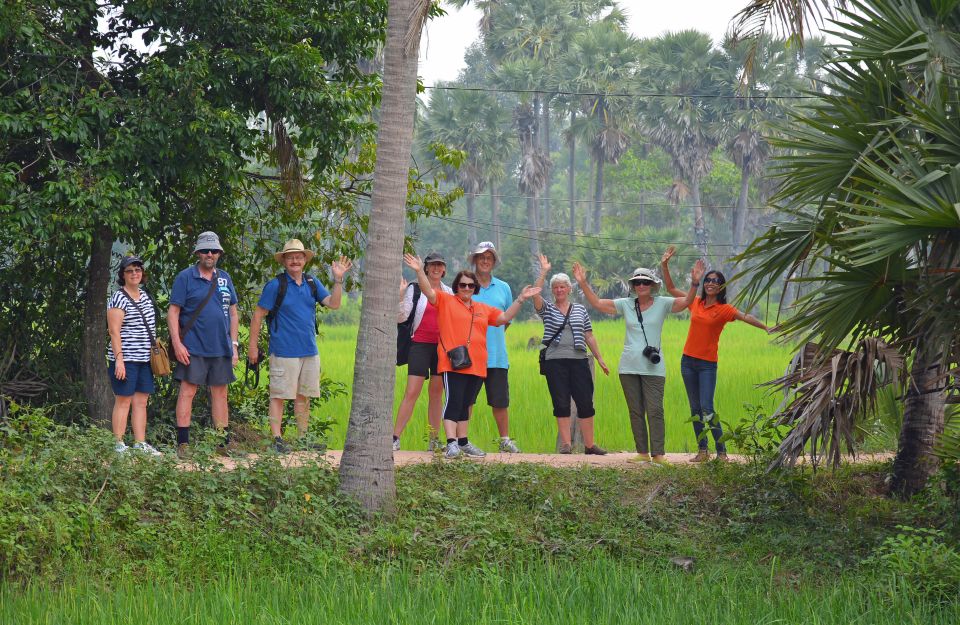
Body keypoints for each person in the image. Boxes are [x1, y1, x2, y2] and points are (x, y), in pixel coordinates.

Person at [403, 253, 540, 459]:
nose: (466, 289)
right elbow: (428, 291)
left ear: (475, 289)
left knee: (466, 403)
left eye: (470, 286)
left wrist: (521, 299)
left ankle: (463, 442)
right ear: (456, 287)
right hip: (453, 363)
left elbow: (503, 318)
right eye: (462, 285)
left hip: (477, 364)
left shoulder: (483, 309)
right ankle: (451, 443)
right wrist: (417, 271)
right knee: (453, 402)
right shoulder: (446, 301)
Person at [573, 258, 703, 463]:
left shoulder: (663, 303)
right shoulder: (626, 305)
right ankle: (642, 453)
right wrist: (582, 283)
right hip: (629, 366)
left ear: (652, 285)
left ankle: (658, 454)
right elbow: (598, 303)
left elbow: (686, 302)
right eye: (637, 282)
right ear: (633, 286)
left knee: (655, 410)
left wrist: (695, 283)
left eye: (645, 282)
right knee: (636, 411)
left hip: (654, 367)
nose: (641, 285)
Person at [660, 246, 770, 462]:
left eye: (715, 281)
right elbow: (672, 289)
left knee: (707, 407)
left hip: (707, 365)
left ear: (721, 287)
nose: (710, 283)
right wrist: (665, 265)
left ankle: (722, 452)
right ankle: (702, 451)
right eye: (708, 280)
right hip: (688, 362)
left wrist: (766, 327)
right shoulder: (696, 302)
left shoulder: (725, 309)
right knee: (694, 408)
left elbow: (746, 317)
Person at [248, 239, 351, 453]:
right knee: (279, 395)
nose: (295, 260)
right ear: (284, 261)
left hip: (309, 350)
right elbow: (258, 316)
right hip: (283, 350)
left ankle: (303, 439)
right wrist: (252, 347)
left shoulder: (312, 283)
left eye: (299, 256)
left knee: (303, 396)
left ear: (305, 260)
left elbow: (334, 304)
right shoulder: (275, 285)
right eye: (290, 257)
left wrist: (338, 280)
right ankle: (277, 440)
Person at [169, 231, 239, 457]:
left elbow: (233, 313)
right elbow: (173, 312)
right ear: (198, 252)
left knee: (221, 394)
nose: (210, 254)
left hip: (221, 347)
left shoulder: (225, 278)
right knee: (187, 392)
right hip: (193, 347)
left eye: (214, 250)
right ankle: (183, 444)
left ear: (219, 253)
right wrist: (177, 344)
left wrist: (234, 345)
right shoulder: (185, 277)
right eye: (206, 250)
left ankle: (222, 443)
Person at [531, 254, 610, 455]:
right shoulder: (547, 309)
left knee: (585, 402)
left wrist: (600, 359)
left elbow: (589, 336)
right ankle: (566, 445)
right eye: (556, 287)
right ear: (552, 290)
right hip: (555, 362)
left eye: (563, 286)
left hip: (578, 360)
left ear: (569, 289)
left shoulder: (580, 310)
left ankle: (589, 445)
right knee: (561, 401)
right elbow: (535, 295)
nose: (559, 290)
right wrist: (543, 271)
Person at [392, 252, 453, 452]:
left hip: (441, 348)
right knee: (412, 392)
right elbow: (401, 317)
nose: (436, 268)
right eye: (432, 265)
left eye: (440, 265)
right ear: (425, 268)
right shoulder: (414, 288)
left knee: (436, 394)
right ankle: (395, 438)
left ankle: (433, 441)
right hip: (419, 345)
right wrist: (401, 295)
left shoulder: (449, 292)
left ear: (444, 270)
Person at [106, 255, 162, 456]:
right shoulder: (118, 298)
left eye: (137, 270)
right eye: (130, 271)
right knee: (124, 400)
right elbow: (114, 331)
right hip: (126, 359)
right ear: (123, 275)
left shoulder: (145, 296)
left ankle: (140, 444)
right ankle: (119, 445)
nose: (134, 274)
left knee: (141, 402)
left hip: (144, 360)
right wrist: (119, 360)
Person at [468, 241, 521, 453]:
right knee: (466, 399)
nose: (485, 261)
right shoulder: (466, 285)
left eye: (489, 258)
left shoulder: (503, 288)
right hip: (471, 355)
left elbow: (506, 319)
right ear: (475, 260)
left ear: (494, 262)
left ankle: (504, 440)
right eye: (481, 257)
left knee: (500, 400)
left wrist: (491, 337)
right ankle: (461, 439)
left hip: (497, 355)